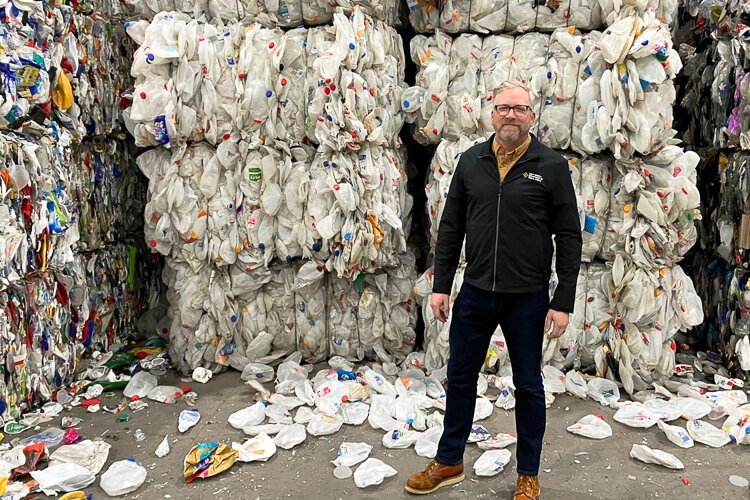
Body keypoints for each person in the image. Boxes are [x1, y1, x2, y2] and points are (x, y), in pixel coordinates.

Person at [405, 81, 582, 500]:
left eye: (520, 109)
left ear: (531, 117)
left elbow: (569, 236)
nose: (511, 116)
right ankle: (449, 460)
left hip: (528, 295)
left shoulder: (551, 165)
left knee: (528, 385)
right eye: (503, 108)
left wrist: (563, 301)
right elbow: (450, 227)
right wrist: (441, 285)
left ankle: (528, 473)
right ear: (491, 114)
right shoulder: (471, 161)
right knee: (461, 377)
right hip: (477, 290)